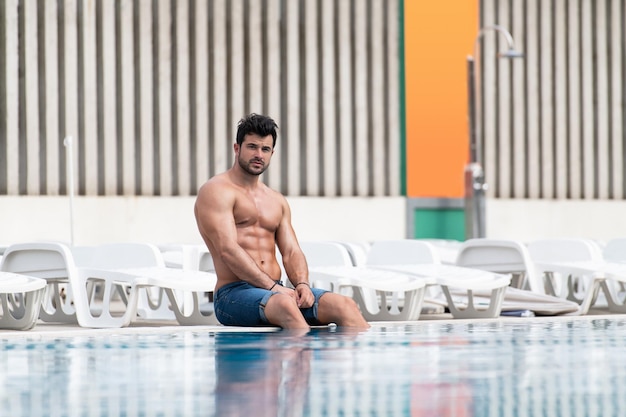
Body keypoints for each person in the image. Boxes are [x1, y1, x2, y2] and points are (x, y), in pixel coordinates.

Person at [194, 113, 369, 330]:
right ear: (236, 148)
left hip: (277, 291)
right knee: (286, 305)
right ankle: (302, 360)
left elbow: (291, 251)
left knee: (346, 306)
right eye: (252, 147)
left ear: (272, 153)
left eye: (265, 149)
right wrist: (272, 288)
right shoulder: (217, 190)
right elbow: (227, 250)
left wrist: (302, 284)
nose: (259, 154)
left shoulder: (276, 200)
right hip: (233, 294)